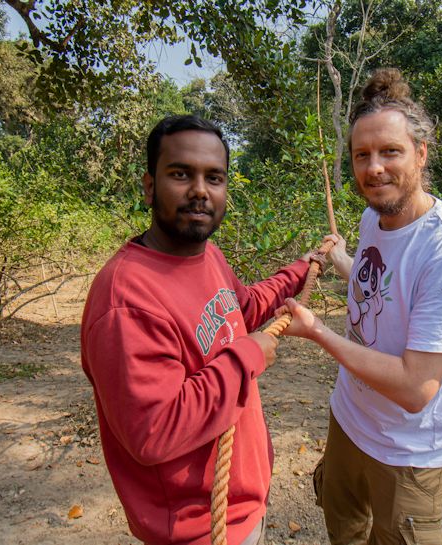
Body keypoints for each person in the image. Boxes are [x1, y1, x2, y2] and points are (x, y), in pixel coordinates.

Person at [81, 115, 320, 545]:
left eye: (215, 177)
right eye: (180, 174)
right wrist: (247, 356)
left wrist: (302, 269)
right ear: (149, 185)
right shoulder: (126, 300)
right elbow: (155, 431)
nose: (200, 190)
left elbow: (243, 307)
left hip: (240, 509)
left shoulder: (206, 256)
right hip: (198, 531)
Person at [277, 68, 442, 545]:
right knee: (344, 528)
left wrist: (318, 334)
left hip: (407, 452)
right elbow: (381, 287)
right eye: (362, 155)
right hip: (349, 420)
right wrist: (340, 259)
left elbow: (417, 389)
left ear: (421, 153)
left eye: (390, 152)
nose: (374, 168)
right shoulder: (376, 214)